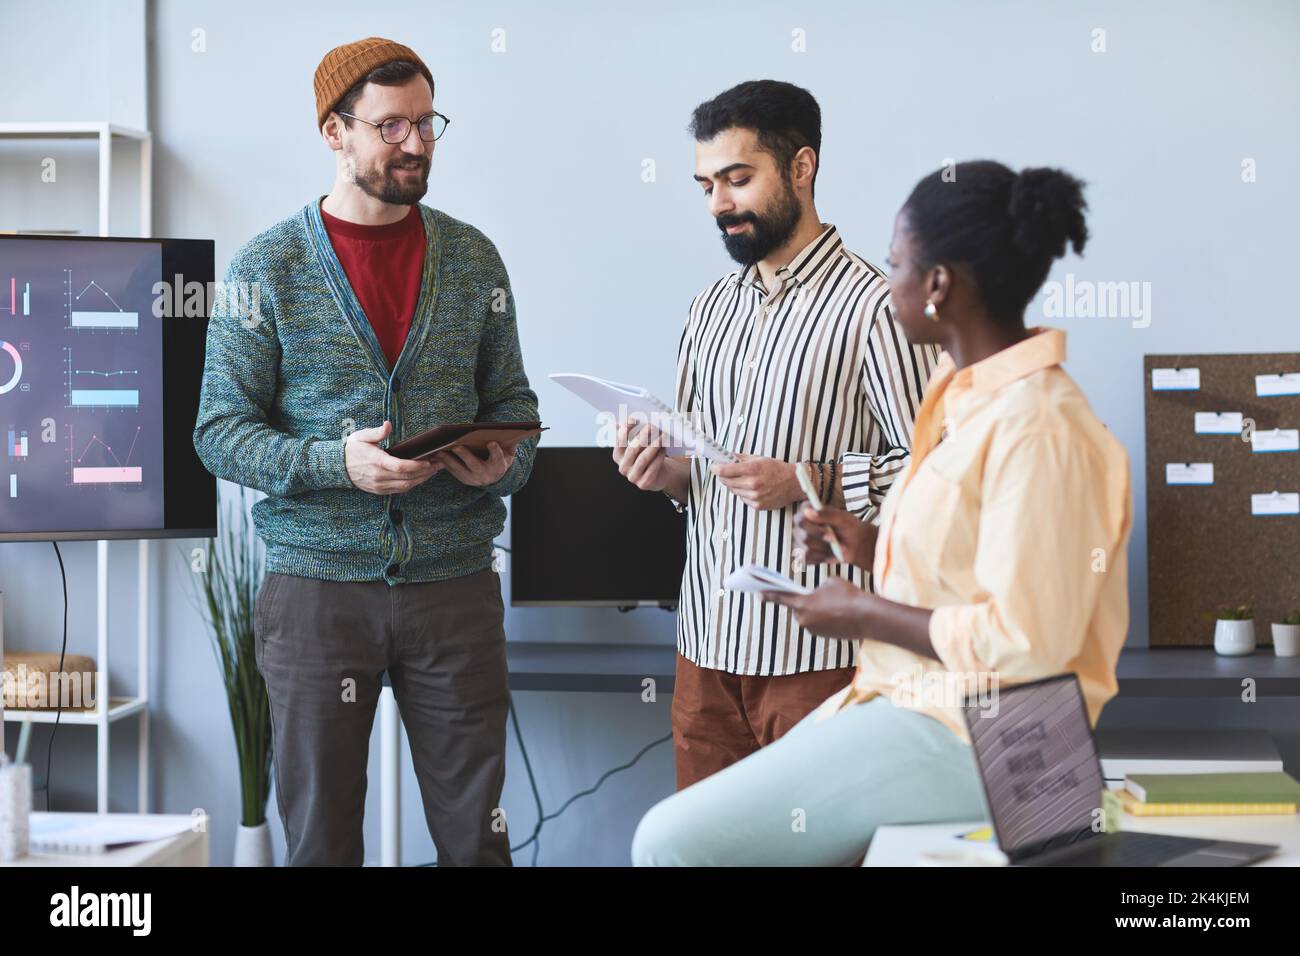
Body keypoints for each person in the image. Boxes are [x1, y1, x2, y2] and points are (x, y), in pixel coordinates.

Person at [631, 159, 1132, 866]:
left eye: (895, 261)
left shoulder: (1041, 427)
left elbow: (1028, 646)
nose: (882, 277)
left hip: (988, 733)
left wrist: (864, 615)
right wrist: (868, 547)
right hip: (909, 700)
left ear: (937, 286)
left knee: (665, 844)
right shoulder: (962, 396)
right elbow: (975, 566)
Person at [192, 37, 538, 866]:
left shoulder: (473, 259)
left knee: (476, 839)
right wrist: (333, 464)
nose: (416, 143)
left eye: (426, 123)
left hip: (455, 588)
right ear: (334, 132)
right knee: (319, 843)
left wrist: (505, 464)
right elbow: (217, 431)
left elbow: (516, 411)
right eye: (392, 126)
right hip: (316, 595)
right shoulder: (265, 266)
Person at [612, 80, 938, 789]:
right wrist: (666, 473)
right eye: (705, 185)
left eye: (737, 179)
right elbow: (701, 468)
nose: (718, 205)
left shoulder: (876, 306)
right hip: (704, 654)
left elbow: (937, 474)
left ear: (801, 168)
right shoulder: (708, 310)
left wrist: (806, 478)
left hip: (818, 660)